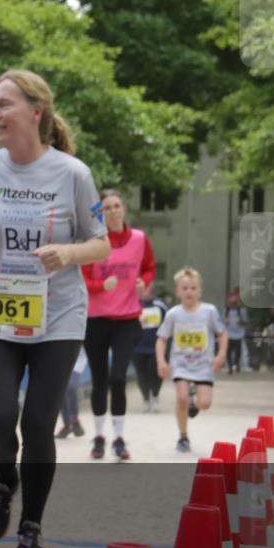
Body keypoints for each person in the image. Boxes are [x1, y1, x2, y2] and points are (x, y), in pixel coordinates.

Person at [0, 69, 109, 548]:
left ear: (35, 112)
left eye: (3, 105)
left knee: (39, 422)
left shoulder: (72, 173)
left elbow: (101, 243)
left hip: (57, 316)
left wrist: (67, 254)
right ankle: (6, 481)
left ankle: (31, 526)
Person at [81, 189, 155, 461]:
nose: (112, 211)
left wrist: (143, 282)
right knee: (100, 381)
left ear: (124, 209)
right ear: (101, 213)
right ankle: (99, 436)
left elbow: (149, 267)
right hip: (97, 320)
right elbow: (84, 281)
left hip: (127, 320)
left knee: (118, 378)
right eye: (106, 208)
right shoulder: (94, 242)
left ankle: (119, 438)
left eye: (116, 206)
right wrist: (102, 285)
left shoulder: (139, 239)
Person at [155, 267, 228, 453]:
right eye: (185, 288)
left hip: (203, 365)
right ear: (178, 291)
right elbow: (162, 338)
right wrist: (161, 362)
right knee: (181, 397)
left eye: (193, 288)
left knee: (205, 403)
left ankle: (194, 403)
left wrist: (220, 356)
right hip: (180, 364)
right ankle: (183, 437)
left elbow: (222, 334)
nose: (189, 291)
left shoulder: (209, 311)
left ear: (200, 291)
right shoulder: (173, 314)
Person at [132, 281, 168, 412]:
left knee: (155, 373)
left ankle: (155, 396)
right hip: (137, 347)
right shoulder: (133, 304)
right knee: (141, 374)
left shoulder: (160, 305)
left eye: (148, 286)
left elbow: (167, 324)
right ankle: (145, 399)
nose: (145, 289)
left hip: (154, 346)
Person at [55, 348, 88, 438]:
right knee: (61, 389)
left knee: (70, 387)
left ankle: (74, 420)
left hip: (78, 360)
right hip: (60, 359)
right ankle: (67, 425)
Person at [223, 293, 248, 375]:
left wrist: (240, 322)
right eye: (231, 303)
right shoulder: (226, 311)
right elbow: (221, 322)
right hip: (229, 334)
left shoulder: (242, 311)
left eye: (234, 303)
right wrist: (225, 322)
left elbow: (245, 322)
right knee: (228, 351)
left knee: (238, 351)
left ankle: (237, 364)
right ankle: (230, 367)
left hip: (238, 334)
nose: (233, 305)